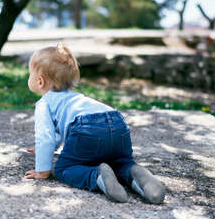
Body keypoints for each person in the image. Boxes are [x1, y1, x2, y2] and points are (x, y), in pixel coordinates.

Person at [24, 45, 165, 203]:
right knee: (119, 163)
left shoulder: (44, 103)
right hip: (117, 122)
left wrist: (42, 171)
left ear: (40, 81)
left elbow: (46, 137)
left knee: (64, 169)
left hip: (87, 129)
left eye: (30, 73)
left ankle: (96, 175)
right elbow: (57, 133)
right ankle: (133, 172)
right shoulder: (75, 98)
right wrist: (49, 148)